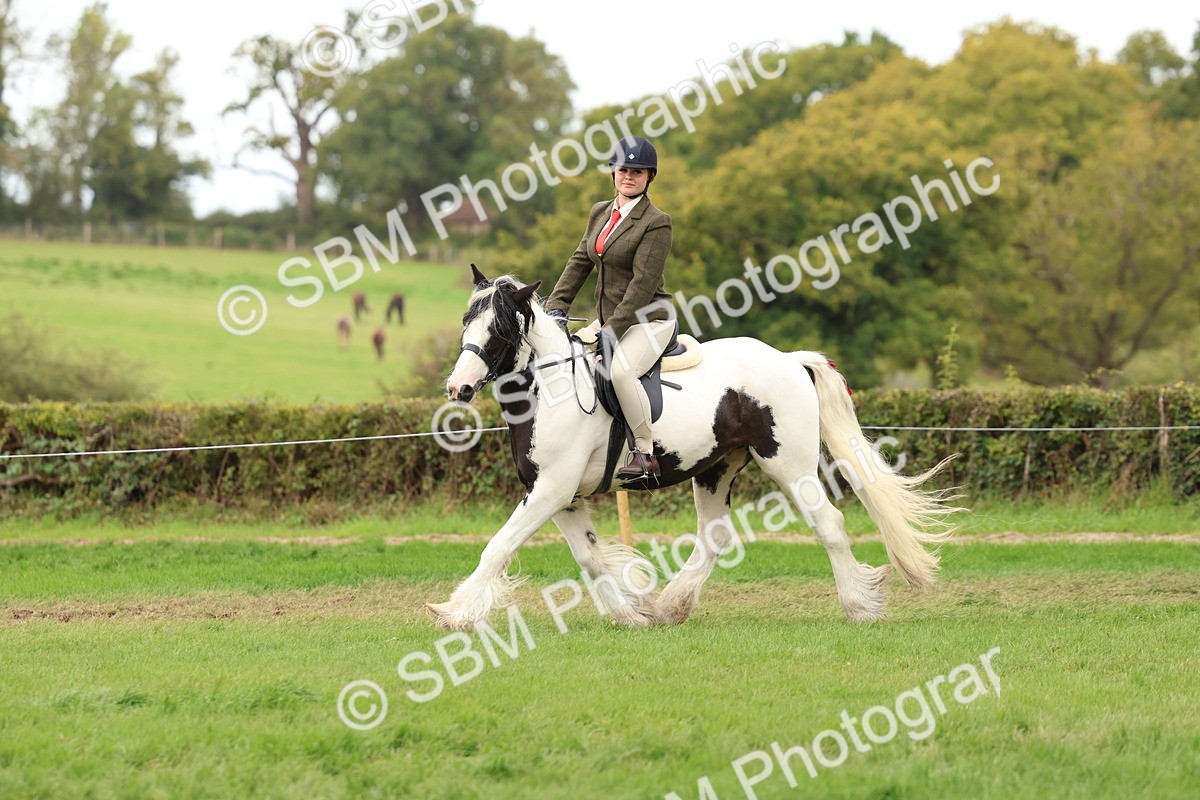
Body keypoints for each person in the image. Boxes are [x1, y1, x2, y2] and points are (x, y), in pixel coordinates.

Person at [545, 136, 675, 479]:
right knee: (567, 363)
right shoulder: (600, 212)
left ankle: (645, 452)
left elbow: (641, 286)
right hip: (608, 320)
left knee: (620, 372)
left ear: (650, 177)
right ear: (613, 172)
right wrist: (556, 306)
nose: (628, 176)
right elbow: (579, 261)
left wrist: (610, 333)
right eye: (623, 170)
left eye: (637, 171)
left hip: (648, 320)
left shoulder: (656, 222)